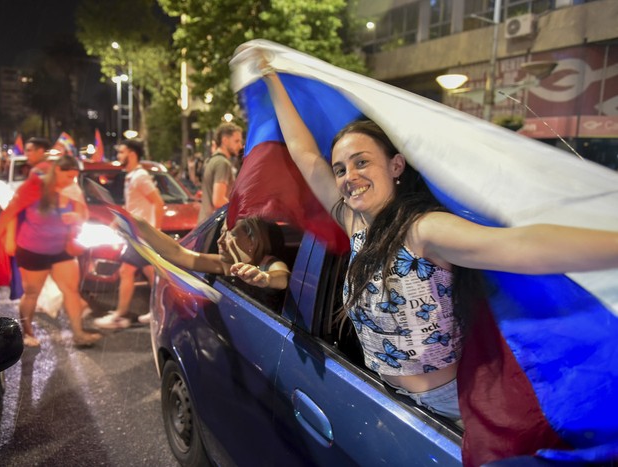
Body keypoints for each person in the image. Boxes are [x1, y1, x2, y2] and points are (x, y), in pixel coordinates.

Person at [258, 60, 618, 421]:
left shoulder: (423, 230)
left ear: (396, 166)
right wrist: (272, 76)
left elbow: (524, 246)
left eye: (362, 162)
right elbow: (305, 156)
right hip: (388, 397)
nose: (349, 176)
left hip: (448, 410)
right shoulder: (355, 223)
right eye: (340, 169)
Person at [0, 155, 102, 348]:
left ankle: (79, 333)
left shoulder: (72, 189)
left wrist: (76, 216)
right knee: (32, 293)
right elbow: (13, 212)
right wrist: (10, 241)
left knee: (71, 290)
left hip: (61, 248)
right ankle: (26, 332)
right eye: (68, 177)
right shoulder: (34, 187)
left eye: (74, 177)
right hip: (33, 249)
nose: (71, 181)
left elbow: (83, 214)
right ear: (57, 171)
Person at [93, 140, 165, 330]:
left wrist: (154, 233)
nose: (118, 156)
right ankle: (159, 310)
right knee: (153, 275)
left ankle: (120, 315)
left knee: (127, 271)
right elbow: (134, 206)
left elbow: (158, 203)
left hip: (142, 235)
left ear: (132, 154)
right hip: (138, 234)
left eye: (121, 152)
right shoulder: (131, 176)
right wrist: (117, 221)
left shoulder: (140, 176)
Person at [131, 215, 290, 291]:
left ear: (253, 240)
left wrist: (265, 278)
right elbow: (177, 253)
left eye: (231, 234)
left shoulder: (269, 263)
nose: (219, 241)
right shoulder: (226, 264)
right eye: (221, 233)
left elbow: (283, 277)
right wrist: (137, 223)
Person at [197, 122, 243, 223]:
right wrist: (240, 210)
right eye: (236, 141)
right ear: (225, 141)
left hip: (205, 224)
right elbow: (218, 200)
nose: (240, 146)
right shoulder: (222, 163)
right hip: (214, 226)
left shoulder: (211, 160)